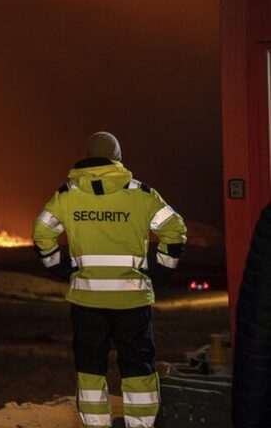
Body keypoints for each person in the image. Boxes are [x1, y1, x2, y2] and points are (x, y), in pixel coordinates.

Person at [32, 132, 187, 428]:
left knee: (90, 370)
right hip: (132, 300)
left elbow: (41, 233)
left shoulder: (66, 196)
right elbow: (175, 230)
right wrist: (161, 269)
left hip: (86, 301)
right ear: (117, 158)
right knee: (138, 368)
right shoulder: (142, 195)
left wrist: (60, 267)